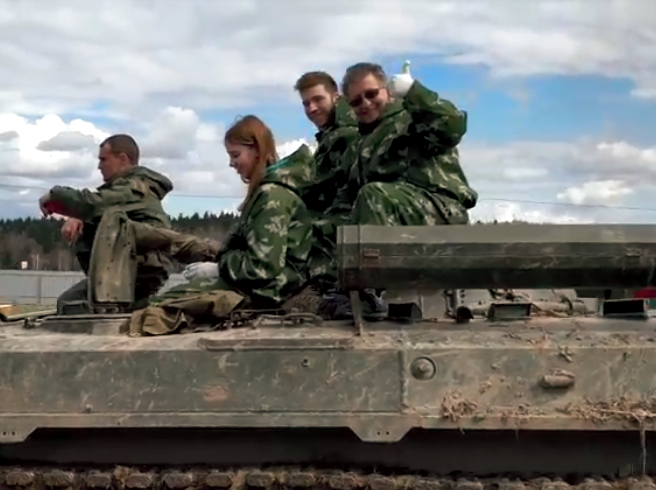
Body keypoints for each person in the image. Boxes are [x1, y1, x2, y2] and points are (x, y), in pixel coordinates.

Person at [129, 115, 314, 336]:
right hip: (260, 287)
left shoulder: (273, 196)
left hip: (268, 291)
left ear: (257, 150)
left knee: (159, 311)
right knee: (164, 303)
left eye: (235, 155)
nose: (231, 163)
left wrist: (219, 269)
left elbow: (262, 267)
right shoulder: (268, 192)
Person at [40, 134, 216, 314]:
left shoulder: (135, 188)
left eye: (103, 159)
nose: (99, 166)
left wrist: (54, 197)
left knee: (72, 305)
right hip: (129, 272)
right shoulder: (130, 188)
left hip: (135, 272)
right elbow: (103, 209)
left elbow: (94, 204)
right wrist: (80, 217)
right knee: (76, 305)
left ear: (123, 159)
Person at [333, 61, 477, 226]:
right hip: (385, 216)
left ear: (387, 90)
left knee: (374, 195)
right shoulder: (356, 147)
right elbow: (345, 203)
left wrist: (413, 91)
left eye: (371, 94)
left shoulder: (411, 119)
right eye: (356, 102)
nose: (365, 103)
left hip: (440, 210)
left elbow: (451, 125)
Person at [293, 71, 359, 296]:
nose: (312, 108)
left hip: (347, 221)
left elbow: (320, 189)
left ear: (335, 97)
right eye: (306, 103)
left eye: (318, 99)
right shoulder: (332, 134)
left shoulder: (346, 134)